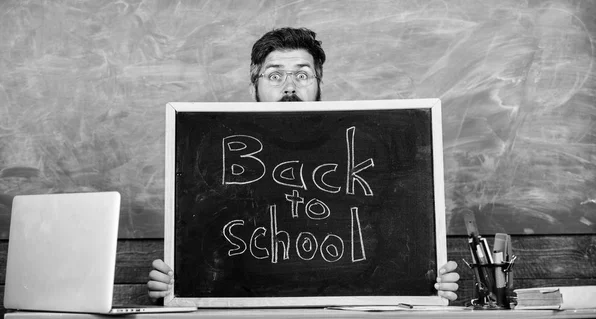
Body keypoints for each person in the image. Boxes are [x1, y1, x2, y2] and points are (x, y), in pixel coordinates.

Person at [148, 27, 460, 302]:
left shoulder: (371, 144)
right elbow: (202, 251)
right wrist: (172, 284)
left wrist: (429, 279)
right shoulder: (213, 150)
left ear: (318, 82)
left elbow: (400, 243)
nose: (289, 87)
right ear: (253, 84)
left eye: (301, 74)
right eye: (274, 75)